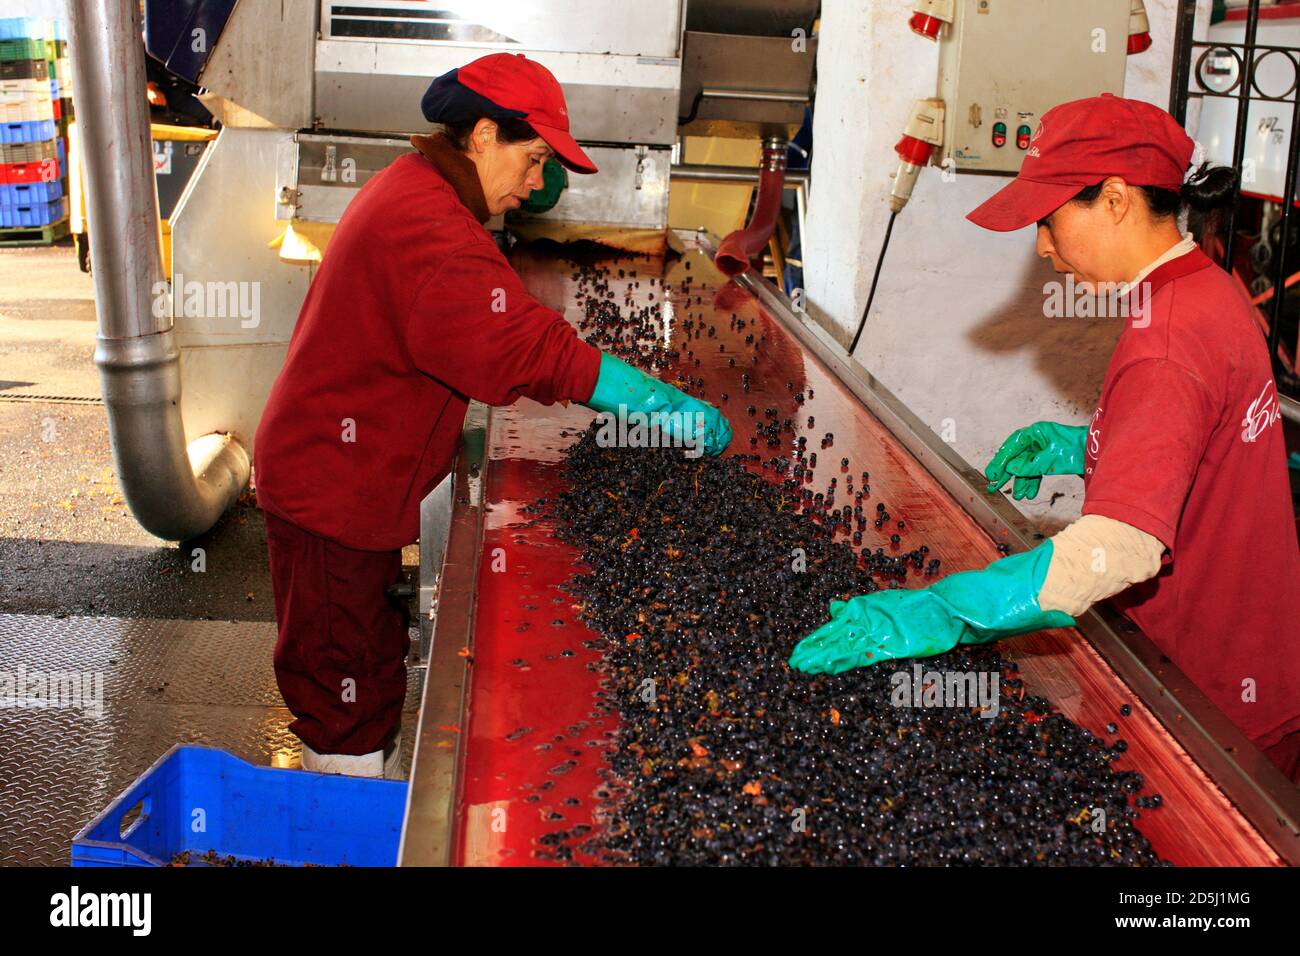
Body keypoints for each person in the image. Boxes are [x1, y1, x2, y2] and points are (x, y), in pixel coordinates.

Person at [789, 93, 1300, 783]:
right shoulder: (1203, 290)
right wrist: (1093, 442)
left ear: (1115, 199)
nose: (1043, 246)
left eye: (1052, 220)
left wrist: (945, 610)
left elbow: (1116, 551)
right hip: (1261, 665)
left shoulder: (1167, 340)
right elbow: (1202, 434)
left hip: (1209, 708)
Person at [254, 53, 731, 777]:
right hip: (331, 492)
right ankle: (340, 815)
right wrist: (661, 404)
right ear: (481, 136)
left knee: (364, 652)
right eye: (532, 160)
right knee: (342, 681)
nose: (537, 184)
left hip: (347, 479)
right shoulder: (431, 230)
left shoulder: (421, 191)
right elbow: (526, 352)